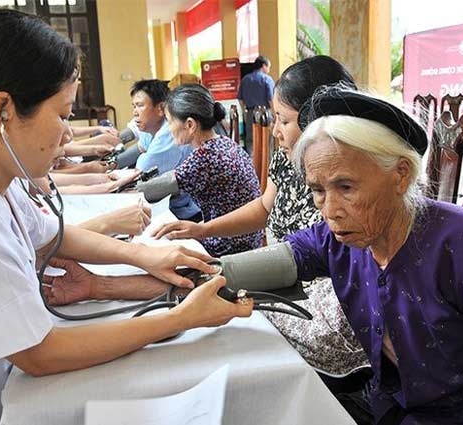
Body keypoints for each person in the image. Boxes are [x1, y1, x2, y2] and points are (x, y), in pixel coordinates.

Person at [0, 10, 252, 425]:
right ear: (3, 112)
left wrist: (142, 256)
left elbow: (52, 237)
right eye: (63, 115)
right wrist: (178, 319)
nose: (68, 135)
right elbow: (40, 352)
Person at [282, 87, 463, 424]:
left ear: (401, 174)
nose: (330, 210)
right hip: (392, 407)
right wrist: (210, 270)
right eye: (318, 190)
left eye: (346, 187)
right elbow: (292, 255)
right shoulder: (342, 237)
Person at [154, 56, 370, 388]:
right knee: (203, 298)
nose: (274, 130)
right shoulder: (287, 160)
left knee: (219, 323)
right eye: (274, 118)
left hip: (319, 299)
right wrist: (203, 229)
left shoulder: (350, 180)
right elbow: (263, 208)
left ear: (320, 121)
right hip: (286, 271)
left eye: (283, 120)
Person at [140, 84, 263, 256]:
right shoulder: (223, 142)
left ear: (190, 124)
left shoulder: (204, 158)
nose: (169, 129)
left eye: (170, 121)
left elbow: (148, 192)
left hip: (228, 248)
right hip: (247, 240)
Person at [130, 79, 201, 221]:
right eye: (134, 106)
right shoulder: (151, 127)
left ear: (161, 108)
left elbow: (140, 176)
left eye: (140, 106)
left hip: (188, 213)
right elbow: (139, 148)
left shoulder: (169, 131)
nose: (134, 112)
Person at [238, 55, 275, 153]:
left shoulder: (245, 79)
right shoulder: (267, 79)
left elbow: (240, 99)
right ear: (263, 66)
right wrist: (275, 115)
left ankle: (251, 165)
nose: (269, 70)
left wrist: (245, 112)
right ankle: (266, 165)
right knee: (267, 141)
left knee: (251, 140)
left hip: (251, 113)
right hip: (265, 113)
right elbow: (271, 100)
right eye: (268, 67)